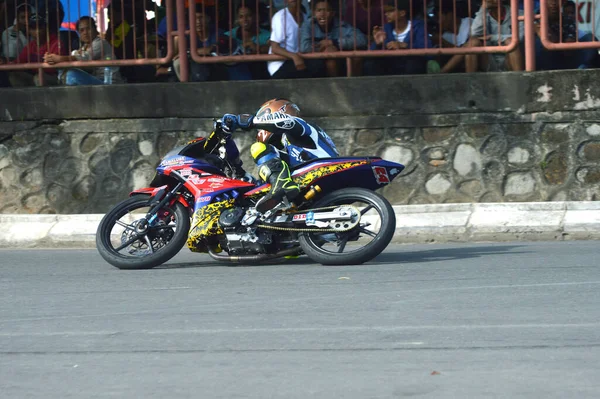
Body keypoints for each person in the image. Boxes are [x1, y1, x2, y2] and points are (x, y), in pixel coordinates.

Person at [220, 98, 340, 212]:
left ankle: (283, 185)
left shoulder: (301, 125)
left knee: (258, 148)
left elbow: (285, 122)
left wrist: (250, 121)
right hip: (317, 178)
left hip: (321, 169)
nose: (259, 132)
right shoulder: (296, 143)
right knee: (266, 180)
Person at [44, 16, 123, 85]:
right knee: (64, 71)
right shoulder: (84, 47)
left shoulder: (100, 43)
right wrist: (50, 58)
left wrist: (60, 59)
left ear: (95, 29)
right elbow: (76, 59)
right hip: (97, 81)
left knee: (71, 75)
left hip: (108, 83)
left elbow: (84, 58)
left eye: (88, 28)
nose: (85, 33)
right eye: (81, 30)